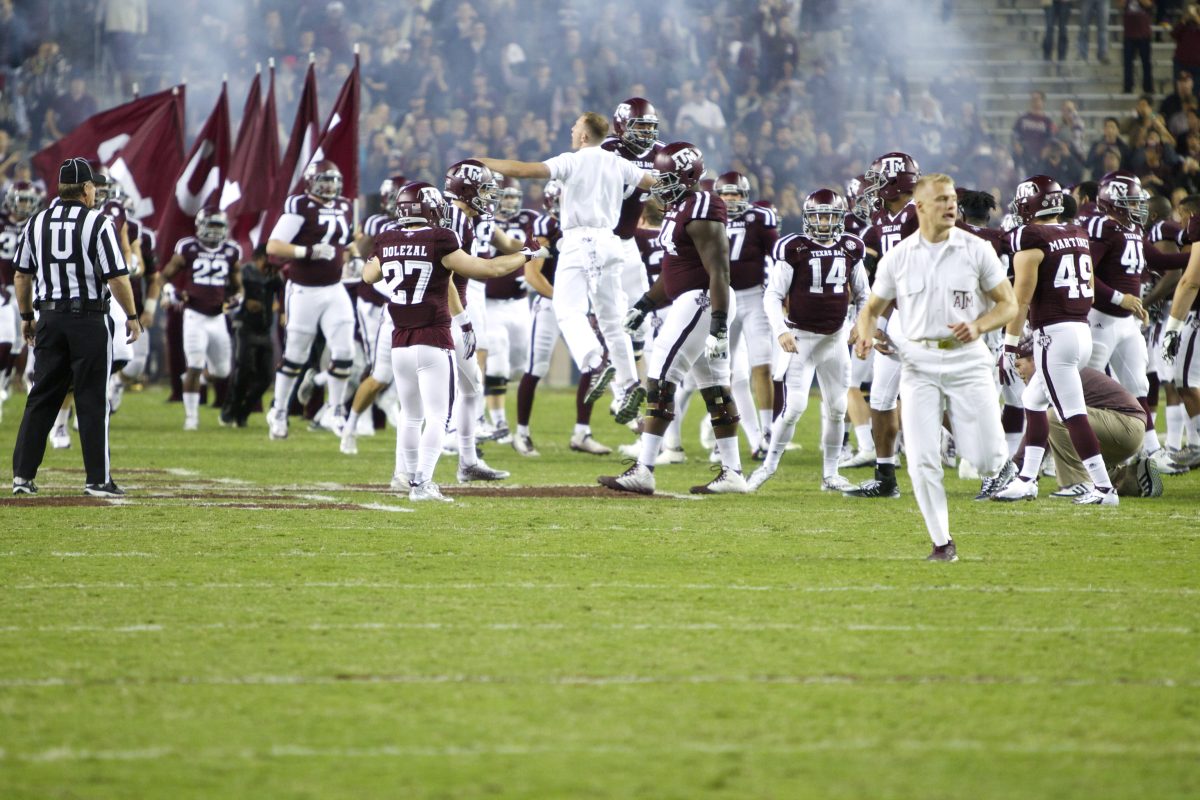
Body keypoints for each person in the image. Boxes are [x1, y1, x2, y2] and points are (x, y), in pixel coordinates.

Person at [854, 173, 1017, 562]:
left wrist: (978, 325)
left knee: (982, 457)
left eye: (953, 199)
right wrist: (865, 334)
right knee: (922, 458)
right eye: (941, 199)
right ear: (920, 206)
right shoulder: (898, 256)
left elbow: (1008, 304)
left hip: (968, 359)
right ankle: (942, 542)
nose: (950, 205)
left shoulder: (977, 249)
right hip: (918, 362)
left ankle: (1000, 465)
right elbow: (871, 309)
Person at [361, 182, 545, 502]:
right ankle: (423, 483)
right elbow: (488, 268)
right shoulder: (440, 238)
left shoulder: (387, 238)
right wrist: (526, 254)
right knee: (438, 415)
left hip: (400, 339)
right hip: (433, 335)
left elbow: (368, 276)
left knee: (410, 414)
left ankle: (402, 476)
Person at [477, 112, 656, 426]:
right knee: (613, 321)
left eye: (576, 125)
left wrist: (482, 161)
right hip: (612, 243)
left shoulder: (572, 160)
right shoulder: (621, 164)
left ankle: (595, 363)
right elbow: (656, 184)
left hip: (578, 240)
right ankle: (629, 385)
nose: (572, 129)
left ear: (585, 136)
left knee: (567, 309)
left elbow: (524, 170)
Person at [599, 141, 746, 495]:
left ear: (688, 175)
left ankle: (644, 468)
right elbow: (674, 270)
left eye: (666, 177)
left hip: (702, 301)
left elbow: (719, 272)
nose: (659, 184)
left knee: (661, 376)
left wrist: (719, 325)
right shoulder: (682, 205)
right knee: (714, 388)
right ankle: (733, 472)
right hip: (692, 299)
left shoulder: (702, 206)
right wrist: (645, 304)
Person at [11, 157, 141, 497]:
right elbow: (116, 276)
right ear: (86, 189)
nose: (96, 192)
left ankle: (22, 477)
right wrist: (131, 315)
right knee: (92, 398)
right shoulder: (98, 223)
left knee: (41, 397)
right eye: (93, 187)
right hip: (88, 318)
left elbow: (22, 275)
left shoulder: (37, 222)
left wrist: (27, 317)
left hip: (50, 319)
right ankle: (97, 479)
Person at [992, 175, 1118, 505]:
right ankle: (1026, 479)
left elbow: (1020, 300)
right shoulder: (1076, 232)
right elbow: (1088, 283)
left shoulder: (1031, 237)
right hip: (1080, 328)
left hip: (1055, 336)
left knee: (1071, 413)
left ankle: (1104, 488)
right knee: (1034, 400)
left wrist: (1008, 345)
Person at [749, 189, 867, 493]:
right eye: (819, 216)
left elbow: (864, 294)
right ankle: (768, 466)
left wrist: (860, 323)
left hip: (836, 339)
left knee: (838, 408)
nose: (825, 222)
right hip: (800, 338)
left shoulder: (852, 247)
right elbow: (773, 295)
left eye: (830, 215)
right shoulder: (794, 247)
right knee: (794, 407)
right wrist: (781, 331)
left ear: (840, 217)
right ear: (808, 218)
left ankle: (831, 474)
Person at [264, 159, 357, 440]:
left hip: (334, 287)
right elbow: (274, 246)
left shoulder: (344, 205)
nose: (329, 186)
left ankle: (335, 410)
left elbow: (346, 241)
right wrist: (308, 252)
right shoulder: (300, 205)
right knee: (295, 355)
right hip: (304, 290)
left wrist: (356, 255)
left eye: (333, 180)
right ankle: (278, 411)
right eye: (324, 181)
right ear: (311, 182)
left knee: (345, 353)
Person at [1011, 336, 1164, 497]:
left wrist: (1017, 467)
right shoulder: (1060, 367)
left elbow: (1040, 426)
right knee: (1063, 445)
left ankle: (1078, 482)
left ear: (1034, 360)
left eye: (1018, 365)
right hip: (1121, 426)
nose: (1018, 372)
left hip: (1125, 425)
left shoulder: (1054, 372)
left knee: (1054, 417)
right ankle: (1129, 477)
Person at [154, 208, 242, 430]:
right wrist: (170, 291)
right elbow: (163, 276)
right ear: (200, 226)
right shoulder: (188, 247)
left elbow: (237, 285)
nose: (213, 232)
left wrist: (238, 298)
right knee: (193, 365)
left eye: (218, 227)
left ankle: (197, 377)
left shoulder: (231, 251)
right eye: (210, 226)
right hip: (194, 315)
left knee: (223, 372)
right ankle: (191, 418)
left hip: (218, 316)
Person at [717, 170, 778, 458]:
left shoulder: (760, 218)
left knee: (762, 365)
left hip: (755, 298)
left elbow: (776, 255)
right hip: (722, 299)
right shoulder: (709, 216)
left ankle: (767, 433)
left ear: (746, 196)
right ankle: (725, 436)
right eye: (726, 194)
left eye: (736, 194)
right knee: (720, 371)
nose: (730, 199)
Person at [222, 245, 282, 427]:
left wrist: (282, 309)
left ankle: (243, 411)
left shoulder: (273, 275)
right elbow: (230, 291)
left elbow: (282, 292)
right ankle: (230, 410)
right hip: (245, 326)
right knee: (245, 370)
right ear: (260, 257)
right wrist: (244, 302)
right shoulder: (245, 272)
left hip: (264, 329)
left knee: (266, 377)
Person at [1122, 0, 1155, 95]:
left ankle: (1148, 87)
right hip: (1129, 33)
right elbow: (1121, 4)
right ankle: (1128, 87)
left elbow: (1149, 4)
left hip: (1144, 33)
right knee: (1128, 62)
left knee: (1146, 62)